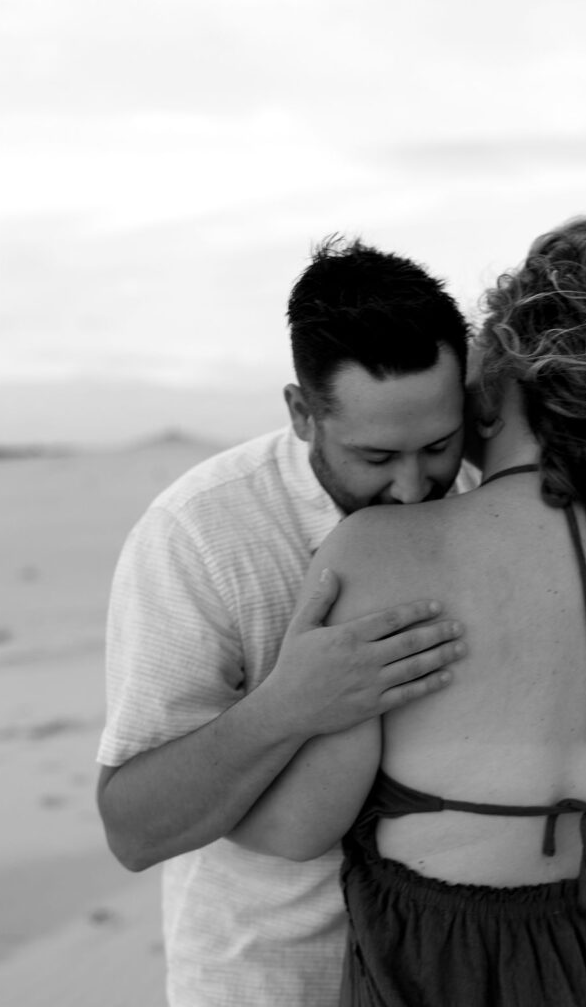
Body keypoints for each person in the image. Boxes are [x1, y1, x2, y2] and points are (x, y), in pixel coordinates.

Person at [234, 216, 586, 1006]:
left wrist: (261, 732)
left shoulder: (378, 552)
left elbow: (296, 829)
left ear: (501, 382)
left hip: (455, 958)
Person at [96, 237, 477, 1007]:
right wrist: (288, 706)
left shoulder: (483, 499)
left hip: (447, 971)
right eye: (375, 456)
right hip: (269, 977)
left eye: (437, 445)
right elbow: (133, 830)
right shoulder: (199, 533)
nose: (413, 488)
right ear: (303, 413)